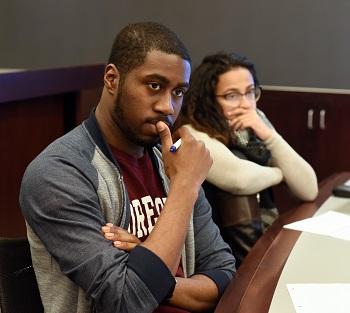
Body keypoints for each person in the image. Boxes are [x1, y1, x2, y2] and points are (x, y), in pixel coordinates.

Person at [19, 23, 236, 313]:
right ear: (112, 79)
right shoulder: (59, 172)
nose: (168, 107)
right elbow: (127, 301)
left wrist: (154, 276)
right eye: (155, 86)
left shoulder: (171, 162)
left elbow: (223, 275)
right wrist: (184, 186)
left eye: (179, 92)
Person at [175, 52, 318, 265]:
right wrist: (280, 174)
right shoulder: (192, 133)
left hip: (263, 240)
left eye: (250, 92)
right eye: (232, 96)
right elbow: (240, 180)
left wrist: (270, 136)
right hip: (218, 257)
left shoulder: (253, 123)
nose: (246, 104)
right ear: (208, 99)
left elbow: (309, 188)